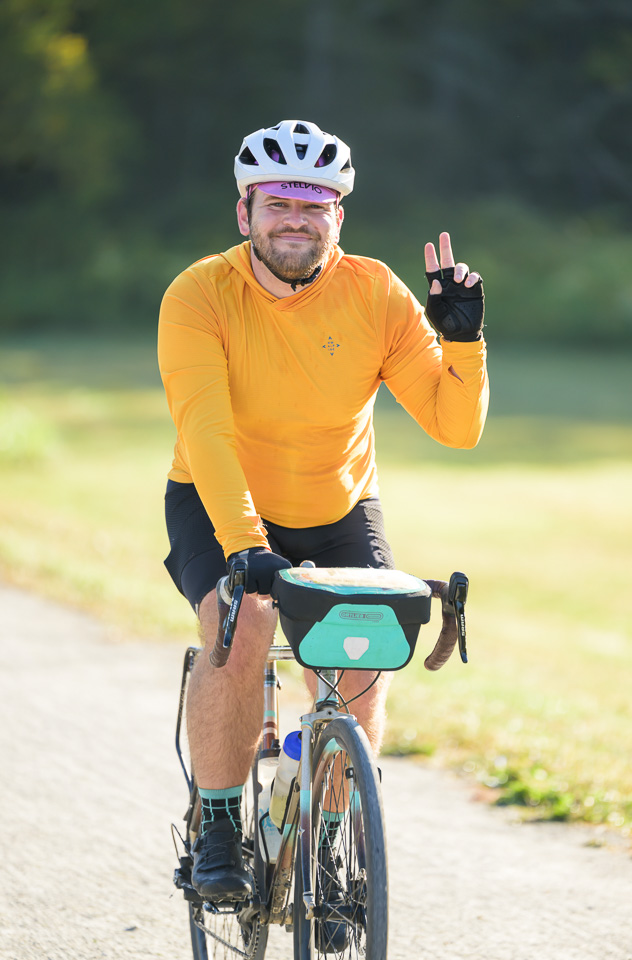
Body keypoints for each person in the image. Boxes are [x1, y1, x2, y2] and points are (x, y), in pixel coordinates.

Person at [158, 119, 489, 901]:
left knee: (360, 658)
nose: (296, 220)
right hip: (219, 500)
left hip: (338, 505)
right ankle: (217, 826)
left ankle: (330, 843)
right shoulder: (200, 293)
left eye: (314, 206)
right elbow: (206, 433)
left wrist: (463, 344)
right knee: (242, 626)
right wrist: (246, 545)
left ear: (338, 216)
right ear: (245, 213)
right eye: (278, 204)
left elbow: (457, 429)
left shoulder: (376, 293)